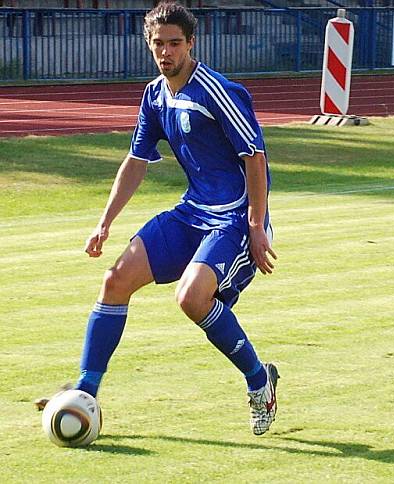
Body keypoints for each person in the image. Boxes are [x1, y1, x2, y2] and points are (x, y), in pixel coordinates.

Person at [41, 2, 280, 436]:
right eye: (158, 44)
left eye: (174, 43)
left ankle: (259, 380)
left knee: (191, 299)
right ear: (149, 45)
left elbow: (255, 157)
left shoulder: (218, 91)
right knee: (115, 280)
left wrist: (256, 226)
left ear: (191, 43)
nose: (166, 52)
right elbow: (136, 161)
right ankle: (86, 388)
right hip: (192, 211)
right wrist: (104, 222)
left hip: (233, 219)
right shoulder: (154, 95)